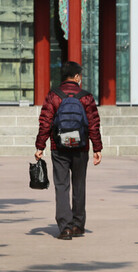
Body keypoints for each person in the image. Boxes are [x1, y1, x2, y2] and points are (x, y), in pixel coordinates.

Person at [34, 61, 103, 240]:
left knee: (62, 186)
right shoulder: (86, 96)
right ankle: (78, 225)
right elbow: (94, 124)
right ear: (77, 77)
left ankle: (65, 227)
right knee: (79, 185)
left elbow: (45, 122)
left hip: (59, 147)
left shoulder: (53, 95)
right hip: (81, 148)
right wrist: (97, 147)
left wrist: (40, 146)